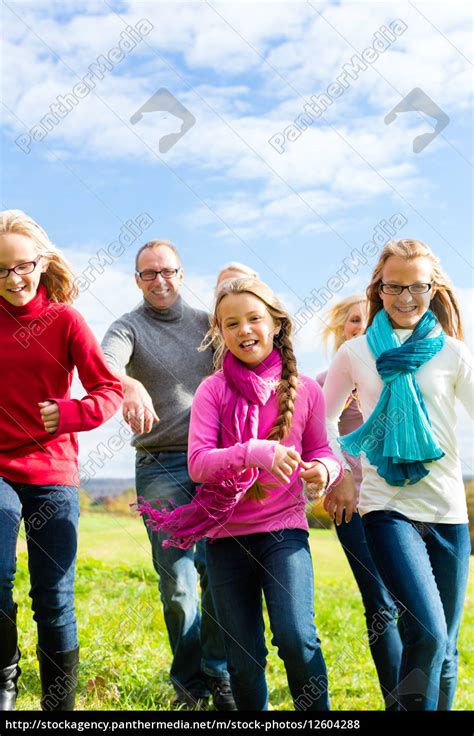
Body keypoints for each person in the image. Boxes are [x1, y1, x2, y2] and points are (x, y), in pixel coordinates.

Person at [137, 277, 352, 711]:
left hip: (283, 532)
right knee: (243, 655)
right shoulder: (213, 390)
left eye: (253, 319)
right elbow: (198, 463)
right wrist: (255, 452)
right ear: (220, 333)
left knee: (296, 637)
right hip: (225, 538)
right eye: (230, 323)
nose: (243, 330)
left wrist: (323, 471)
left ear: (275, 324)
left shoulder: (305, 389)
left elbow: (322, 450)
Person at [323, 239, 473, 710]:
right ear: (378, 288)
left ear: (434, 289)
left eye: (418, 287)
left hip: (448, 510)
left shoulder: (453, 353)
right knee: (425, 632)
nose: (406, 297)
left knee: (445, 649)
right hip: (387, 508)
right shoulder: (356, 352)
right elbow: (322, 421)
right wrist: (342, 473)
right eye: (394, 286)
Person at [101, 240, 234, 710]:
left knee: (218, 572)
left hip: (215, 462)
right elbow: (105, 365)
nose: (159, 280)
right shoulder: (128, 327)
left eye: (167, 271)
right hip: (159, 464)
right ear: (137, 280)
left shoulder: (207, 325)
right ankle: (189, 685)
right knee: (177, 581)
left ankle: (217, 672)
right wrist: (129, 382)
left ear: (181, 273)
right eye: (148, 273)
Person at [0, 210, 123, 711]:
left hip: (52, 472)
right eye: (0, 270)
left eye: (22, 266)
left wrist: (71, 413)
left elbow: (108, 390)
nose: (13, 279)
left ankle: (58, 708)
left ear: (41, 262)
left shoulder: (64, 319)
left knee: (52, 597)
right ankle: (5, 682)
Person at [316, 294, 402, 710]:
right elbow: (316, 442)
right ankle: (397, 700)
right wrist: (342, 476)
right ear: (341, 327)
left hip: (404, 503)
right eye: (354, 320)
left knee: (413, 604)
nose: (361, 326)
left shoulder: (396, 376)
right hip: (354, 507)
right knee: (381, 603)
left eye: (371, 320)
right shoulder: (323, 383)